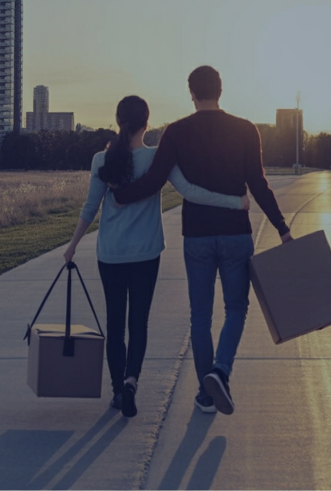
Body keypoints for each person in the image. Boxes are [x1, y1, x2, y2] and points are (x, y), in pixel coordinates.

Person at [112, 66, 291, 416]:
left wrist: (120, 195)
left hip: (197, 237)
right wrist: (282, 228)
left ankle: (207, 394)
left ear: (190, 93)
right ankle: (220, 371)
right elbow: (258, 183)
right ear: (220, 90)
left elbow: (154, 181)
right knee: (237, 308)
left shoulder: (177, 132)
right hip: (237, 234)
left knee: (200, 317)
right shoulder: (245, 130)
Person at [64, 95, 246, 419]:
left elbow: (90, 209)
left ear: (118, 121)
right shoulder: (157, 158)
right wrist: (233, 201)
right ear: (147, 123)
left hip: (111, 255)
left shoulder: (100, 160)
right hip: (146, 254)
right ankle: (132, 381)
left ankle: (119, 390)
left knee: (115, 323)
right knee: (139, 323)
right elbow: (189, 191)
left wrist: (72, 245)